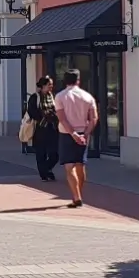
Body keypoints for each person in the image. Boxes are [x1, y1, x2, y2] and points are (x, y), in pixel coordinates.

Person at [53, 69, 98, 208]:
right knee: (80, 164)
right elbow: (94, 118)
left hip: (66, 134)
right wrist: (85, 134)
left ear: (64, 81)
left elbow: (62, 118)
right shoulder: (88, 96)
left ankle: (76, 196)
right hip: (83, 133)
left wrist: (73, 134)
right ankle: (79, 193)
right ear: (78, 80)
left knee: (69, 166)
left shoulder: (60, 96)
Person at [24, 76, 60, 182]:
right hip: (39, 128)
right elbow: (31, 111)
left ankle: (46, 169)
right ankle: (44, 174)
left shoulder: (52, 96)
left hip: (52, 128)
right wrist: (43, 116)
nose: (51, 87)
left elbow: (56, 109)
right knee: (41, 153)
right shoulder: (35, 97)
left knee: (54, 154)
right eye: (49, 84)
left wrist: (53, 115)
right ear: (43, 86)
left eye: (52, 85)